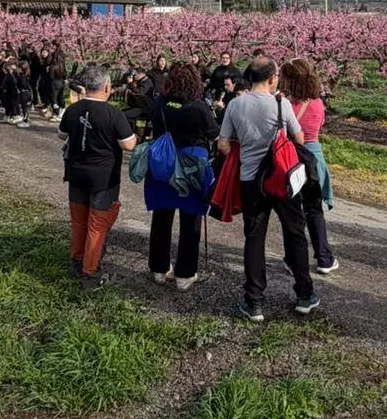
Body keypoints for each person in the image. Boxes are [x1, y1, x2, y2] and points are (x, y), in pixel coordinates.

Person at [217, 55, 317, 322]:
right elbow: (299, 138)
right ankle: (304, 295)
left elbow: (223, 145)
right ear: (273, 78)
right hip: (282, 179)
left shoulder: (235, 105)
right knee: (295, 233)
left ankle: (254, 301)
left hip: (251, 180)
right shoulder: (281, 103)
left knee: (254, 238)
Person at [59, 65, 137, 290]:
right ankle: (90, 273)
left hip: (76, 173)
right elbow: (129, 144)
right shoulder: (113, 113)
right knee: (97, 225)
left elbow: (61, 134)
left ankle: (76, 261)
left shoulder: (73, 109)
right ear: (106, 87)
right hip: (103, 179)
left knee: (78, 221)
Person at [145, 63, 219, 291]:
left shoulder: (158, 104)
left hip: (162, 166)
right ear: (195, 82)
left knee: (161, 218)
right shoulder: (199, 108)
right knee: (190, 222)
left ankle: (158, 269)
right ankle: (184, 275)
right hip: (190, 169)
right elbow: (214, 133)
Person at [279, 59, 338, 275]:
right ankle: (324, 258)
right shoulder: (317, 104)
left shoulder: (284, 104)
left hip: (291, 159)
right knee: (314, 210)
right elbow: (317, 127)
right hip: (314, 157)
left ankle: (292, 259)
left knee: (292, 213)